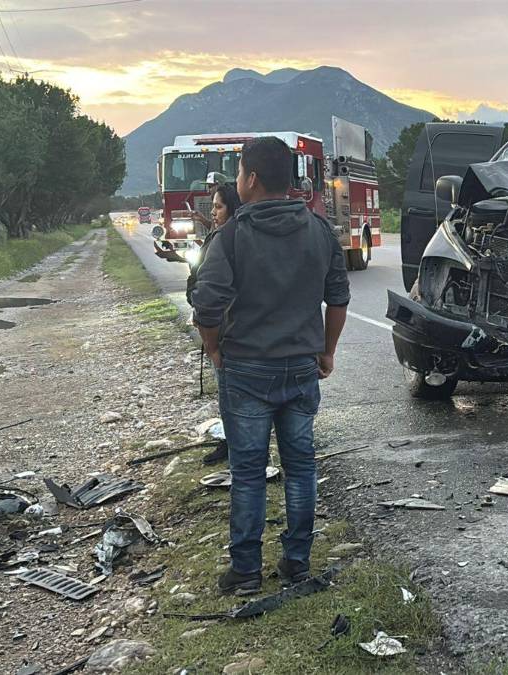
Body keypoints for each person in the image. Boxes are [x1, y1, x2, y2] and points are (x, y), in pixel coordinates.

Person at [191, 136, 349, 595]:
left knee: (248, 472)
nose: (238, 180)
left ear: (252, 178)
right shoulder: (319, 230)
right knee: (301, 468)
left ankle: (245, 572)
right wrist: (327, 351)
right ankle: (297, 563)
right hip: (301, 369)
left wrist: (214, 350)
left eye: (240, 172)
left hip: (246, 370)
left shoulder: (231, 236)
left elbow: (207, 306)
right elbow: (338, 298)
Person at [185, 181, 242, 465]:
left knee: (229, 393)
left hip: (223, 330)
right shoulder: (220, 234)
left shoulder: (232, 239)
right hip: (218, 327)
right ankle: (231, 442)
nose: (214, 212)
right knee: (225, 393)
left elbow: (211, 296)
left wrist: (212, 346)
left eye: (218, 207)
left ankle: (234, 446)